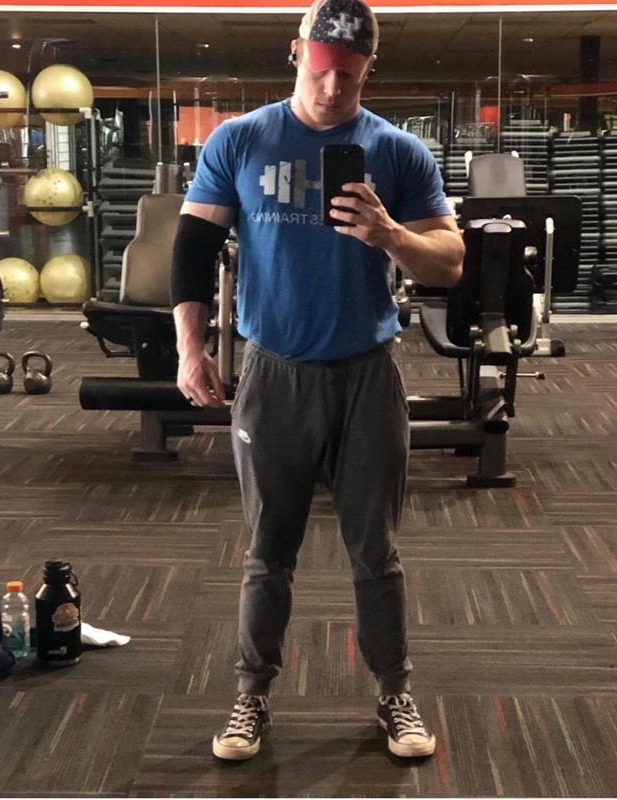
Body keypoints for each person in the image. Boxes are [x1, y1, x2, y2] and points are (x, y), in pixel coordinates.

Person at [170, 0, 464, 762]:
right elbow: (193, 249)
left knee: (376, 551)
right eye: (323, 70)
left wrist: (389, 234)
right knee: (268, 550)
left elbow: (450, 262)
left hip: (366, 377)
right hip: (275, 375)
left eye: (350, 76)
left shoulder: (397, 153)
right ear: (296, 52)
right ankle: (250, 696)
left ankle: (393, 693)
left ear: (369, 69)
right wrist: (190, 350)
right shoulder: (240, 139)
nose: (333, 89)